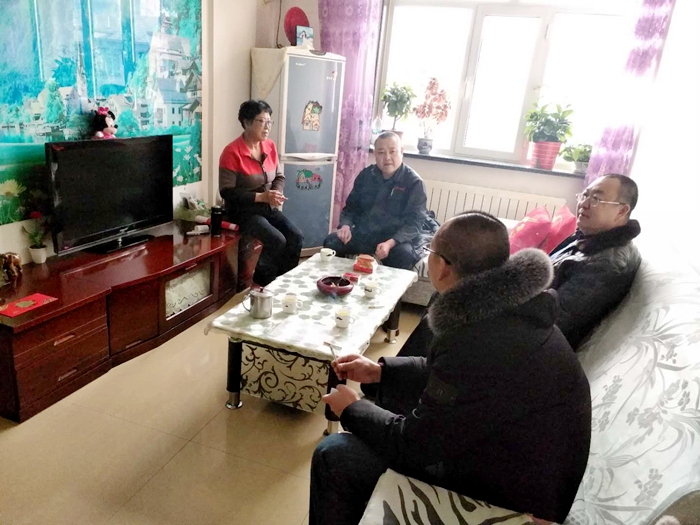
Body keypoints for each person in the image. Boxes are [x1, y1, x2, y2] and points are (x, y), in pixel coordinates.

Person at [310, 212, 592, 525]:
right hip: (518, 464)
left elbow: (415, 445)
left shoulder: (475, 338)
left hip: (513, 498)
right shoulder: (511, 307)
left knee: (335, 454)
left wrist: (352, 409)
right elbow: (454, 375)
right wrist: (381, 372)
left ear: (443, 266)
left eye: (430, 251)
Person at [549, 174, 641, 348]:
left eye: (596, 199)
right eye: (584, 195)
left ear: (621, 211)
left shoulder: (606, 265)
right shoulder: (590, 235)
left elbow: (550, 320)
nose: (584, 204)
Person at [219, 100, 303, 286]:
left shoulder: (269, 146)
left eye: (269, 122)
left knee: (296, 236)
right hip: (242, 211)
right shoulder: (232, 152)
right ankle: (262, 284)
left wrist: (275, 193)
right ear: (247, 122)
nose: (267, 127)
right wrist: (260, 197)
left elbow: (279, 176)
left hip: (266, 207)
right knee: (277, 240)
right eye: (262, 121)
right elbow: (227, 192)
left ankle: (283, 283)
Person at [323, 132, 427, 270]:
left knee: (404, 255)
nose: (387, 158)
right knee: (332, 241)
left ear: (401, 152)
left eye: (392, 151)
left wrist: (390, 243)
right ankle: (338, 280)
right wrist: (346, 226)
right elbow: (351, 208)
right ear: (375, 154)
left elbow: (415, 223)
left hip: (395, 239)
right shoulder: (366, 175)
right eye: (381, 152)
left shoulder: (414, 183)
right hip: (365, 234)